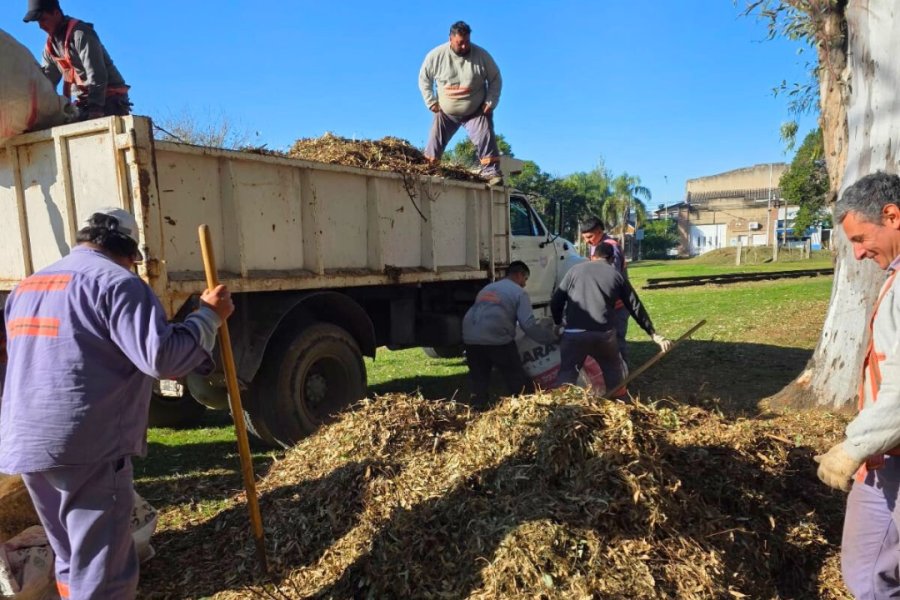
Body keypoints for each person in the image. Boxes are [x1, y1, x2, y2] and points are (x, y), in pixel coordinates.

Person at [0, 207, 233, 599]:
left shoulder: (28, 287)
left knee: (70, 555)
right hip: (85, 445)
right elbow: (162, 358)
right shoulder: (118, 283)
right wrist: (208, 317)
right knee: (102, 570)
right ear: (129, 253)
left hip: (25, 441)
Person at [813, 172, 900, 598]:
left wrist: (854, 447)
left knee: (870, 578)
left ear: (892, 216)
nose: (859, 252)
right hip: (888, 451)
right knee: (870, 571)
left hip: (890, 452)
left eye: (861, 238)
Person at [551, 241, 671, 396]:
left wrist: (558, 322)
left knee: (567, 373)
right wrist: (653, 334)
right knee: (613, 371)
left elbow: (556, 301)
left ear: (592, 256)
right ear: (612, 259)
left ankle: (560, 404)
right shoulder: (616, 275)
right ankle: (619, 403)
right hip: (604, 335)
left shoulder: (575, 270)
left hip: (574, 334)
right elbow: (635, 306)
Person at [418, 20, 504, 186]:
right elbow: (424, 79)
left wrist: (491, 101)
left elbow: (495, 79)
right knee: (434, 139)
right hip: (446, 112)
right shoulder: (436, 56)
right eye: (460, 43)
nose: (464, 46)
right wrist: (431, 101)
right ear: (450, 39)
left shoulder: (482, 56)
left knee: (485, 135)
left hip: (475, 111)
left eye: (467, 42)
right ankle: (429, 170)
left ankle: (491, 172)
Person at [462, 261, 558, 406]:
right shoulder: (519, 292)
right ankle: (524, 405)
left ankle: (477, 407)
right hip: (496, 338)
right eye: (525, 279)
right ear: (519, 275)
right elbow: (528, 325)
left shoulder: (488, 288)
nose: (524, 284)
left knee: (479, 380)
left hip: (470, 337)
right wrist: (550, 338)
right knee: (516, 377)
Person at [23, 0, 131, 121]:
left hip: (110, 100)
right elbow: (47, 83)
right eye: (38, 21)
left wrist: (95, 110)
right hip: (84, 103)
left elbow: (97, 74)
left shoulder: (81, 34)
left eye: (43, 19)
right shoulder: (50, 48)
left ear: (56, 13)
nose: (41, 26)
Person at [580, 216, 631, 361]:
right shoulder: (595, 245)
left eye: (589, 237)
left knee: (616, 341)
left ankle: (623, 373)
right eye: (584, 238)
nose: (587, 241)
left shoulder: (611, 247)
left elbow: (610, 278)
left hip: (617, 305)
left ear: (600, 231)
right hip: (605, 305)